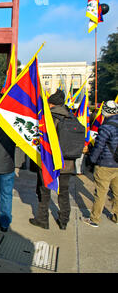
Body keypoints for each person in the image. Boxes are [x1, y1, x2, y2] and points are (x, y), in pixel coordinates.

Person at [29, 90, 75, 230]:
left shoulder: (50, 118)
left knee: (45, 191)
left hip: (50, 162)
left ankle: (43, 220)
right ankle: (64, 221)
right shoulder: (72, 117)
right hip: (67, 163)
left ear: (51, 104)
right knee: (64, 192)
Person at [83, 101, 118, 227]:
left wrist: (91, 160)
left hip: (105, 164)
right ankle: (116, 216)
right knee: (117, 192)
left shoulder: (105, 127)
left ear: (104, 111)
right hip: (117, 164)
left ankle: (94, 219)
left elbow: (98, 147)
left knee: (101, 193)